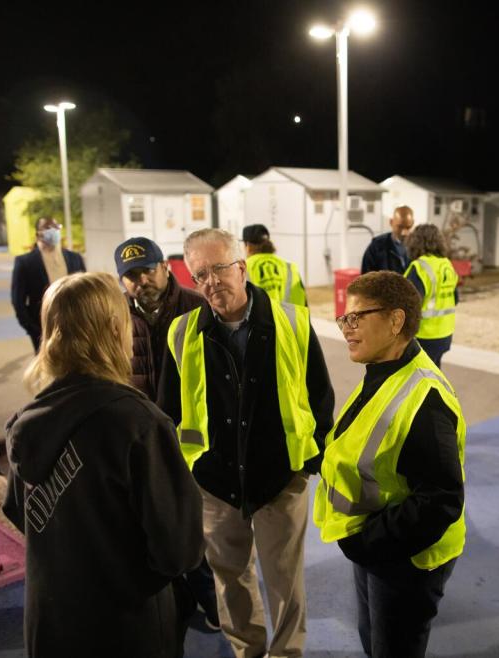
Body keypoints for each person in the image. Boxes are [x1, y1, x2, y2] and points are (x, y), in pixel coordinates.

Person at [2, 272, 206, 658]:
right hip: (127, 624)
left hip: (51, 622)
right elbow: (179, 549)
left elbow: (18, 511)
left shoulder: (25, 421)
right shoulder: (139, 424)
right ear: (115, 329)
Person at [160, 228, 334, 658]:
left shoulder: (291, 321)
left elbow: (320, 397)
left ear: (241, 267)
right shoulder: (181, 333)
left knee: (284, 581)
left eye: (218, 268)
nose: (211, 282)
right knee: (230, 579)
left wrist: (309, 463)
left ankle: (286, 654)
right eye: (200, 274)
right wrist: (192, 472)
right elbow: (168, 411)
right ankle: (247, 651)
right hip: (215, 483)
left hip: (280, 478)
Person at [314, 271, 466, 658]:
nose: (346, 328)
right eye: (344, 318)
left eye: (358, 317)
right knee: (375, 641)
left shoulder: (424, 400)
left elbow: (440, 500)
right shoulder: (383, 372)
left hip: (405, 559)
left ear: (396, 321)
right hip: (377, 545)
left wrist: (369, 544)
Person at [113, 236, 220, 633]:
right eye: (131, 276)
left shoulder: (198, 307)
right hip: (141, 438)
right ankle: (178, 598)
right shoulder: (117, 317)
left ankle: (212, 601)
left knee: (196, 523)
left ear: (164, 267)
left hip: (195, 438)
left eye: (146, 270)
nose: (141, 281)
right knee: (153, 520)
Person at [11, 217, 85, 353]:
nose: (54, 231)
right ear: (38, 234)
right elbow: (18, 301)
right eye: (48, 228)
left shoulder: (75, 258)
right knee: (48, 370)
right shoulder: (25, 262)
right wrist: (33, 329)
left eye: (57, 227)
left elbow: (86, 293)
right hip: (43, 329)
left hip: (75, 326)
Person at [403, 223, 459, 367]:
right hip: (445, 333)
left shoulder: (420, 267)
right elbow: (455, 298)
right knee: (433, 375)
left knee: (417, 381)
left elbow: (408, 306)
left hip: (424, 335)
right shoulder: (446, 264)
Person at [241, 224, 307, 306]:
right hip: (286, 318)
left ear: (248, 246)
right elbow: (302, 302)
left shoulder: (243, 267)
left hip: (260, 318)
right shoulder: (289, 266)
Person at [361, 206, 415, 274]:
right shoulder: (377, 247)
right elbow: (366, 277)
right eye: (400, 227)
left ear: (413, 223)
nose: (403, 232)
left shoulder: (418, 247)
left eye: (408, 227)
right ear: (391, 222)